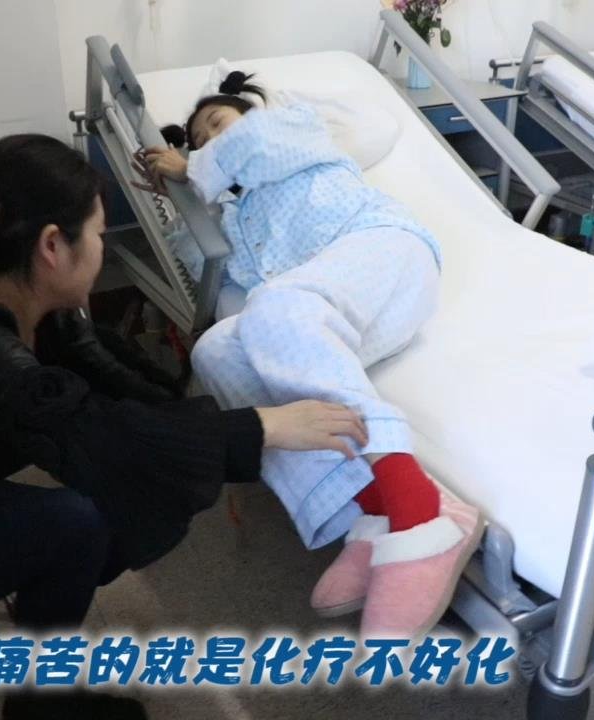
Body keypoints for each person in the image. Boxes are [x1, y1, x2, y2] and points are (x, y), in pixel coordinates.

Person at [0, 134, 367, 719]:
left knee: (109, 490)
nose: (102, 247)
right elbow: (108, 438)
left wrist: (209, 409)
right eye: (98, 234)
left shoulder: (17, 304)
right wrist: (262, 427)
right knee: (76, 525)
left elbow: (134, 396)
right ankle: (42, 706)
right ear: (53, 246)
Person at [135, 71, 483, 640]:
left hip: (383, 252)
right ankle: (371, 505)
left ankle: (416, 506)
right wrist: (184, 204)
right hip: (325, 310)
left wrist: (195, 165)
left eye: (217, 124)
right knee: (217, 349)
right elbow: (211, 278)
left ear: (249, 113)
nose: (210, 141)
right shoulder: (232, 218)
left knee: (276, 304)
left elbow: (254, 143)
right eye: (198, 140)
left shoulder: (291, 131)